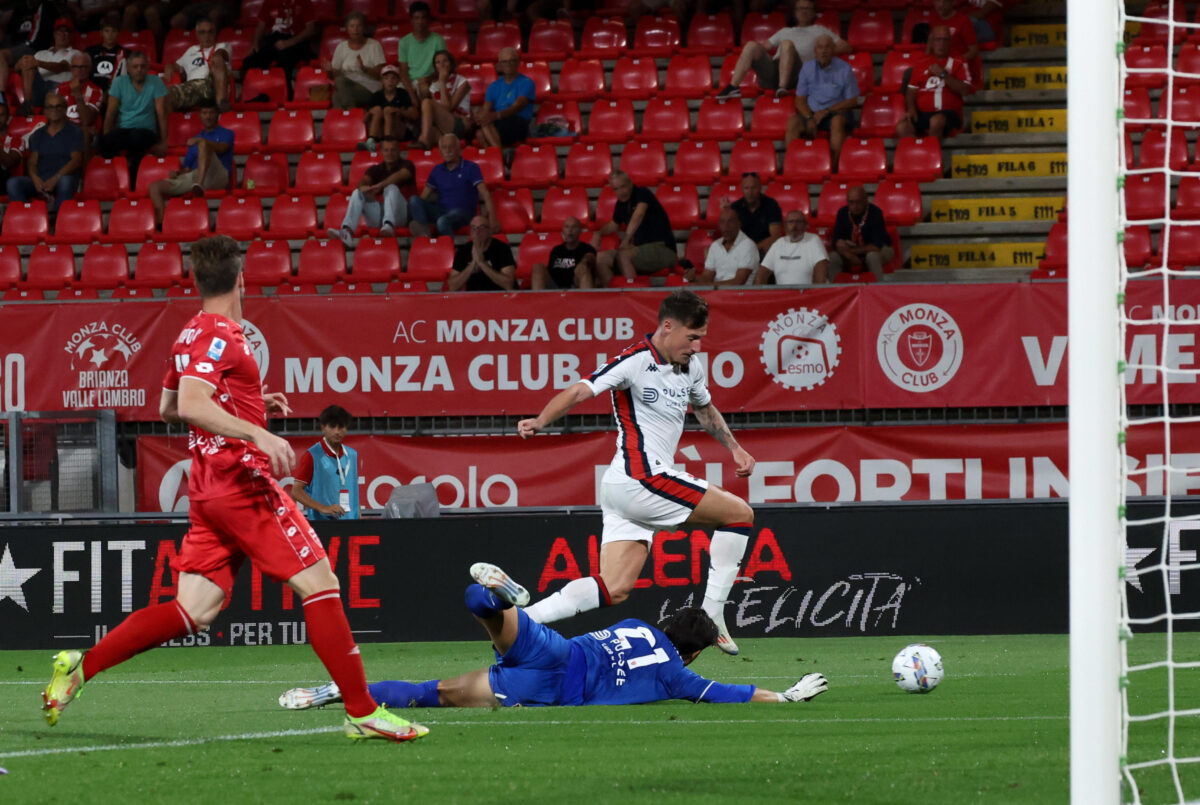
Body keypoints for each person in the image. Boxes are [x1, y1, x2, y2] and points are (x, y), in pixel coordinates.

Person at [39, 235, 427, 744]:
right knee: (321, 583)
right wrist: (257, 432)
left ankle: (81, 667)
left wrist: (250, 402)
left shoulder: (188, 333)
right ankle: (362, 710)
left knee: (193, 610)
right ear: (242, 278)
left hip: (208, 490)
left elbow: (168, 409)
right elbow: (191, 405)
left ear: (197, 281)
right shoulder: (221, 335)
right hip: (242, 484)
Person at [516, 291, 757, 655]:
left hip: (623, 486)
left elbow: (705, 409)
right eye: (692, 337)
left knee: (614, 587)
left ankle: (522, 620)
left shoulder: (691, 367)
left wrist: (734, 447)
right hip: (642, 478)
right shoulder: (634, 361)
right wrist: (540, 420)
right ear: (668, 326)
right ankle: (711, 614)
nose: (697, 346)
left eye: (701, 338)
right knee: (739, 514)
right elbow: (581, 390)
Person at [279, 565, 829, 711]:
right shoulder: (676, 676)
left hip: (556, 648)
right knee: (434, 694)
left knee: (484, 609)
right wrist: (783, 696)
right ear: (696, 650)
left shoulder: (637, 626)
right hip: (551, 687)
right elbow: (730, 694)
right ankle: (340, 695)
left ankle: (499, 598)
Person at [716, 0, 850, 99]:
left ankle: (782, 87)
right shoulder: (785, 30)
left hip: (798, 74)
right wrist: (752, 52)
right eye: (800, 8)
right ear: (795, 12)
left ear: (813, 12)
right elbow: (764, 47)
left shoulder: (820, 30)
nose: (803, 11)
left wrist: (824, 51)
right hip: (773, 72)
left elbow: (846, 46)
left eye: (807, 8)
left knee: (786, 44)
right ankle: (733, 86)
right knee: (751, 45)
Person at [148, 99, 233, 226]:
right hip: (195, 175)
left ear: (217, 114)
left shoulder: (227, 133)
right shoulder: (196, 139)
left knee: (203, 144)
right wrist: (177, 173)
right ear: (200, 115)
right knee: (154, 187)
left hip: (218, 176)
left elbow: (222, 148)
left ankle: (199, 184)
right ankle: (163, 225)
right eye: (204, 113)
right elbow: (187, 169)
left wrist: (200, 141)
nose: (208, 116)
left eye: (211, 113)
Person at [786, 34, 859, 170]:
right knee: (793, 122)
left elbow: (852, 101)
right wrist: (809, 118)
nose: (824, 51)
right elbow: (800, 99)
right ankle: (792, 167)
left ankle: (832, 168)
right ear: (815, 50)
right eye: (820, 47)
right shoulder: (807, 68)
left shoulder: (845, 69)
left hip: (836, 112)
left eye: (827, 47)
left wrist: (827, 111)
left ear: (833, 50)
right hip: (812, 113)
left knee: (837, 122)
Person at [328, 137, 415, 245]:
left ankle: (389, 225)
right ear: (381, 151)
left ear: (399, 150)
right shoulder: (376, 169)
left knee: (391, 188)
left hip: (400, 215)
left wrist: (381, 185)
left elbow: (401, 175)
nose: (389, 153)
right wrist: (364, 188)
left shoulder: (407, 164)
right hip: (379, 215)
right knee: (357, 192)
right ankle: (347, 231)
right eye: (386, 150)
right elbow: (363, 182)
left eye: (393, 150)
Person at [593, 170, 677, 283]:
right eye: (616, 189)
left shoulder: (642, 193)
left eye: (623, 187)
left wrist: (626, 240)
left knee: (623, 255)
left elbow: (638, 215)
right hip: (639, 250)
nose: (621, 192)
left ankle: (633, 292)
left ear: (631, 184)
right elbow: (614, 224)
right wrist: (598, 233)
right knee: (600, 259)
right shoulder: (621, 204)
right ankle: (614, 292)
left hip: (663, 248)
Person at [98, 50, 167, 187]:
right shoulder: (119, 82)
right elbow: (111, 112)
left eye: (142, 66)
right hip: (124, 130)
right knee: (105, 141)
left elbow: (161, 113)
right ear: (128, 69)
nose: (139, 69)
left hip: (146, 131)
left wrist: (163, 142)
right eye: (135, 66)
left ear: (147, 67)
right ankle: (115, 179)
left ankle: (134, 182)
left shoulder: (156, 82)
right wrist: (107, 135)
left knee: (136, 139)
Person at [6, 93, 82, 215]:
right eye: (50, 107)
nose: (54, 110)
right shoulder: (38, 134)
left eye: (58, 106)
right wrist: (35, 178)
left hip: (62, 178)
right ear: (45, 111)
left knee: (65, 182)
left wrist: (55, 178)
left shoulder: (74, 132)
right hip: (42, 179)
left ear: (65, 109)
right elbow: (32, 161)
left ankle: (59, 220)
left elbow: (76, 160)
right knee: (13, 183)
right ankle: (26, 219)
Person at [409, 133, 496, 237]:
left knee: (442, 221)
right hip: (441, 211)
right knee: (414, 200)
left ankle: (448, 247)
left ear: (459, 150)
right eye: (444, 147)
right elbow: (423, 197)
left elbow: (485, 194)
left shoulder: (471, 167)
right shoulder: (437, 170)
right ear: (440, 152)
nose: (448, 150)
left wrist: (492, 219)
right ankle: (423, 234)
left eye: (451, 147)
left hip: (463, 213)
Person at [896, 25, 972, 142]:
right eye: (938, 40)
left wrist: (944, 74)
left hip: (949, 113)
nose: (941, 44)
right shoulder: (921, 64)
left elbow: (965, 90)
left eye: (945, 40)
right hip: (924, 113)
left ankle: (932, 152)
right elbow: (911, 91)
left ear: (950, 42)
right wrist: (911, 109)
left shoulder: (960, 62)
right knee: (902, 127)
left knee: (936, 121)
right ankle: (918, 152)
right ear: (931, 42)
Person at [291, 404, 360, 521]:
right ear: (323, 427)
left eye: (341, 427)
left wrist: (359, 517)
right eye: (332, 427)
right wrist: (323, 508)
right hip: (323, 524)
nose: (337, 432)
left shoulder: (352, 455)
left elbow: (353, 491)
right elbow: (296, 491)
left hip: (352, 523)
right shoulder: (312, 455)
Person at [242, 0, 319, 89]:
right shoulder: (269, 2)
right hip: (275, 39)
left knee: (285, 59)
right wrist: (254, 44)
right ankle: (255, 91)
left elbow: (310, 29)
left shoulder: (304, 2)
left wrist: (289, 43)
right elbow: (261, 25)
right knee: (250, 61)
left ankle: (285, 93)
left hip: (296, 41)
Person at [827, 184, 894, 281]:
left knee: (872, 257)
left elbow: (876, 246)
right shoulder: (842, 213)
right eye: (851, 202)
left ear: (865, 200)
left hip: (880, 249)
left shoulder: (875, 213)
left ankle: (877, 287)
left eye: (858, 202)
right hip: (850, 251)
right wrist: (849, 255)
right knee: (833, 257)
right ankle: (835, 288)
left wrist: (850, 252)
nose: (855, 206)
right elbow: (837, 242)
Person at [164, 18, 232, 114]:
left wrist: (214, 57)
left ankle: (221, 102)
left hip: (215, 84)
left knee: (217, 59)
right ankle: (173, 123)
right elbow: (176, 65)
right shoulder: (191, 50)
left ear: (215, 33)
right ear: (197, 34)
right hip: (193, 86)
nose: (207, 36)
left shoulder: (223, 45)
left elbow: (222, 54)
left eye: (210, 32)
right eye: (202, 32)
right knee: (164, 95)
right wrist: (169, 66)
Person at [0, 0, 57, 110]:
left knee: (26, 62)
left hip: (35, 48)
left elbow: (42, 38)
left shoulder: (47, 6)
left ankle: (26, 104)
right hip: (18, 47)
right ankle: (1, 96)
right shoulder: (20, 7)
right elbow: (11, 31)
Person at [14, 17, 79, 112]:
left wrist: (37, 63)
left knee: (30, 63)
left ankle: (28, 106)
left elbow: (61, 67)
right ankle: (27, 104)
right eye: (60, 31)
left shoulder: (76, 53)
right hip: (37, 89)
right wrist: (21, 63)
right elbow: (17, 69)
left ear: (71, 35)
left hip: (59, 89)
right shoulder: (40, 53)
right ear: (54, 34)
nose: (63, 34)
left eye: (66, 31)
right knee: (27, 61)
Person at [475, 47, 535, 149]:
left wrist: (495, 116)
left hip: (518, 122)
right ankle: (501, 154)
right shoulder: (493, 86)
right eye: (504, 61)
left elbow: (517, 107)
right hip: (499, 122)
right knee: (479, 132)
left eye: (512, 61)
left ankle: (499, 156)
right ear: (499, 65)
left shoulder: (527, 82)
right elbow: (486, 107)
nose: (508, 64)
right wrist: (480, 115)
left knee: (483, 130)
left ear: (518, 63)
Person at [324, 11, 385, 111]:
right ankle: (352, 114)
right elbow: (333, 76)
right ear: (347, 28)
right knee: (336, 95)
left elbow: (381, 73)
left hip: (369, 87)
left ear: (364, 28)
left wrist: (365, 69)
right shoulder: (341, 47)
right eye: (352, 26)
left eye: (359, 26)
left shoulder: (374, 45)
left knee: (338, 90)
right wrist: (329, 71)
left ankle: (350, 112)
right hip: (348, 87)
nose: (355, 30)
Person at [415, 49, 472, 150]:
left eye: (445, 61)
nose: (441, 65)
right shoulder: (433, 86)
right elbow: (438, 112)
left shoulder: (462, 81)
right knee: (428, 132)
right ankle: (425, 145)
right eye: (438, 62)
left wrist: (442, 82)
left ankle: (424, 139)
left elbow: (448, 108)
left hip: (460, 124)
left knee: (427, 102)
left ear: (451, 63)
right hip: (442, 125)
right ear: (435, 66)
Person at [754, 209, 829, 285]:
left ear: (806, 225)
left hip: (807, 291)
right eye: (791, 222)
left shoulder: (813, 240)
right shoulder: (779, 243)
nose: (794, 226)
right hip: (783, 292)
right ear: (785, 226)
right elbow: (762, 273)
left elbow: (821, 272)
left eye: (798, 222)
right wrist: (759, 291)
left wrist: (815, 291)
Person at [691, 208, 759, 287]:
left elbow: (738, 282)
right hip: (716, 291)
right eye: (722, 222)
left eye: (730, 221)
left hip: (740, 293)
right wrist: (694, 278)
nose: (726, 226)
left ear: (739, 224)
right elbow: (707, 276)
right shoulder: (715, 245)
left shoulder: (748, 245)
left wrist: (707, 286)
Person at [447, 216, 516, 292]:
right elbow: (452, 287)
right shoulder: (463, 251)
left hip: (500, 295)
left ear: (490, 231)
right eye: (473, 228)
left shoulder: (502, 248)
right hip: (474, 296)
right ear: (470, 232)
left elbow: (508, 284)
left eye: (482, 228)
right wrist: (472, 265)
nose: (477, 232)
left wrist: (482, 263)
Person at [396, 1, 446, 104]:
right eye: (417, 18)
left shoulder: (438, 40)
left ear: (428, 20)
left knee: (425, 89)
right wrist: (411, 94)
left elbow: (442, 68)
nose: (420, 21)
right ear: (411, 20)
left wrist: (427, 79)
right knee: (395, 93)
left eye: (423, 18)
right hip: (410, 82)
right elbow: (403, 72)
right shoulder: (404, 42)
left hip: (431, 80)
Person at [531, 216, 598, 290]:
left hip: (576, 285)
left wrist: (584, 262)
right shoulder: (556, 250)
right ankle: (538, 297)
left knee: (583, 269)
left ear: (580, 230)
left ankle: (586, 297)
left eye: (574, 227)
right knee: (538, 267)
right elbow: (549, 272)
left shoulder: (587, 248)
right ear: (563, 231)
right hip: (555, 285)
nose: (570, 230)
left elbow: (590, 257)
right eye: (567, 227)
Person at [361, 65, 418, 149]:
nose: (390, 81)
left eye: (393, 78)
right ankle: (371, 141)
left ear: (398, 81)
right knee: (378, 110)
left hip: (400, 130)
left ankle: (387, 141)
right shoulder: (377, 95)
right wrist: (370, 112)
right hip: (380, 131)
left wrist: (398, 111)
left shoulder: (403, 94)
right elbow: (364, 120)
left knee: (388, 110)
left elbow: (415, 115)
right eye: (386, 78)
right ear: (382, 81)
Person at [729, 172, 782, 256]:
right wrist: (725, 212)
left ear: (760, 188)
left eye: (753, 188)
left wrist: (752, 251)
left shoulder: (771, 205)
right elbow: (730, 235)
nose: (750, 192)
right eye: (746, 188)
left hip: (764, 250)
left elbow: (775, 236)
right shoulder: (735, 207)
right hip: (741, 250)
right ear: (742, 189)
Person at [57, 53, 103, 150]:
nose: (79, 70)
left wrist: (78, 94)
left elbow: (86, 120)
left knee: (84, 133)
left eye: (83, 67)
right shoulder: (61, 88)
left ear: (89, 68)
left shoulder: (96, 91)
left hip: (84, 133)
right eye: (75, 67)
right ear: (71, 68)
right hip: (64, 129)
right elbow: (54, 116)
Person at [85, 21, 126, 93]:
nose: (110, 35)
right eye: (107, 31)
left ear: (118, 33)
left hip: (116, 92)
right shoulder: (90, 51)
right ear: (101, 33)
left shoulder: (126, 53)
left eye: (114, 31)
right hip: (91, 91)